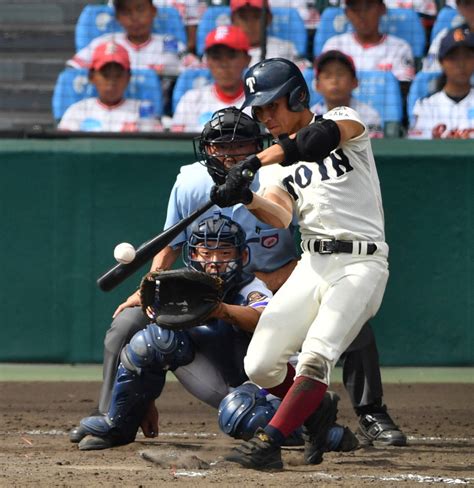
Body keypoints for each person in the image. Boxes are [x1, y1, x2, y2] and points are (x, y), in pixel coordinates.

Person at [69, 107, 404, 450]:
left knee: (349, 318)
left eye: (240, 146)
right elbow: (172, 245)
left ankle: (370, 413)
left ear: (255, 146)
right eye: (220, 147)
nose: (230, 154)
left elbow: (303, 247)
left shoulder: (276, 169)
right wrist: (151, 286)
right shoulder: (192, 181)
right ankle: (115, 414)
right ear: (207, 150)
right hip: (201, 287)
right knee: (128, 324)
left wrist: (262, 278)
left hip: (274, 281)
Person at [209, 57, 396, 469]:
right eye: (258, 110)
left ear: (298, 95)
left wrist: (255, 161)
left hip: (360, 264)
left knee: (316, 355)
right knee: (259, 363)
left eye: (272, 105)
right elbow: (278, 215)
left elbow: (318, 138)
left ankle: (268, 441)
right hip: (313, 263)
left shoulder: (344, 118)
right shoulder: (275, 170)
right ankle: (316, 410)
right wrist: (245, 197)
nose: (265, 116)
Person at [74, 214, 357, 453]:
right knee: (153, 342)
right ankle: (120, 425)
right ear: (192, 255)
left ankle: (318, 429)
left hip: (267, 384)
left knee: (241, 412)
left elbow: (263, 318)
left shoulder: (251, 286)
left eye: (224, 254)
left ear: (242, 255)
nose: (214, 262)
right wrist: (143, 401)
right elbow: (152, 353)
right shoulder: (178, 287)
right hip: (220, 377)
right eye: (206, 253)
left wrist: (221, 311)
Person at [58, 41, 162, 132]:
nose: (112, 81)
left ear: (128, 78)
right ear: (91, 77)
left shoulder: (142, 110)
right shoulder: (77, 111)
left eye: (118, 75)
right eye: (106, 75)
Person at [68, 0, 188, 78]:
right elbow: (72, 69)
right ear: (117, 17)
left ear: (153, 11)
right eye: (126, 12)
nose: (134, 17)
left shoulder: (171, 44)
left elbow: (195, 73)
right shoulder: (104, 43)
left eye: (140, 9)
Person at [171, 25, 252, 132]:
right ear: (207, 61)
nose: (224, 64)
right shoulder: (191, 100)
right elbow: (177, 145)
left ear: (247, 59)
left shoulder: (258, 102)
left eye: (231, 56)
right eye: (216, 57)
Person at [321, 0, 415, 83]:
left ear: (382, 9)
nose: (362, 14)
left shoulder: (400, 47)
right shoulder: (334, 45)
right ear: (347, 13)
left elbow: (402, 89)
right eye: (355, 9)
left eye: (368, 7)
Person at [409, 27, 474, 139]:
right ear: (441, 62)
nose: (461, 64)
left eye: (467, 57)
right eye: (453, 58)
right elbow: (416, 149)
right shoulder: (425, 106)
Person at [311, 50, 383, 138]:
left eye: (340, 74)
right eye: (327, 76)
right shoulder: (312, 116)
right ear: (317, 85)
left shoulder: (369, 115)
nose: (334, 81)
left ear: (355, 82)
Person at [230, 0, 311, 69]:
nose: (250, 24)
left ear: (269, 18)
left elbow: (306, 74)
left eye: (256, 16)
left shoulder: (285, 48)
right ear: (233, 20)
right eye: (243, 17)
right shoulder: (224, 51)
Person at [423, 0, 474, 72]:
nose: (472, 8)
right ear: (459, 7)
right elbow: (429, 72)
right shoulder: (445, 36)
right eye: (468, 3)